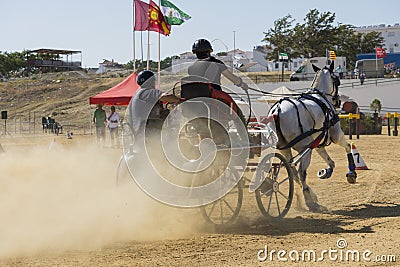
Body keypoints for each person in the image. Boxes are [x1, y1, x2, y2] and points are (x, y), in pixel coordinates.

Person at [127, 70, 181, 150]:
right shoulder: (148, 92)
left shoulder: (137, 94)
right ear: (150, 81)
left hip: (139, 132)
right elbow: (166, 97)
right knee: (172, 145)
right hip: (148, 131)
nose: (154, 82)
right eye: (153, 80)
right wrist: (178, 100)